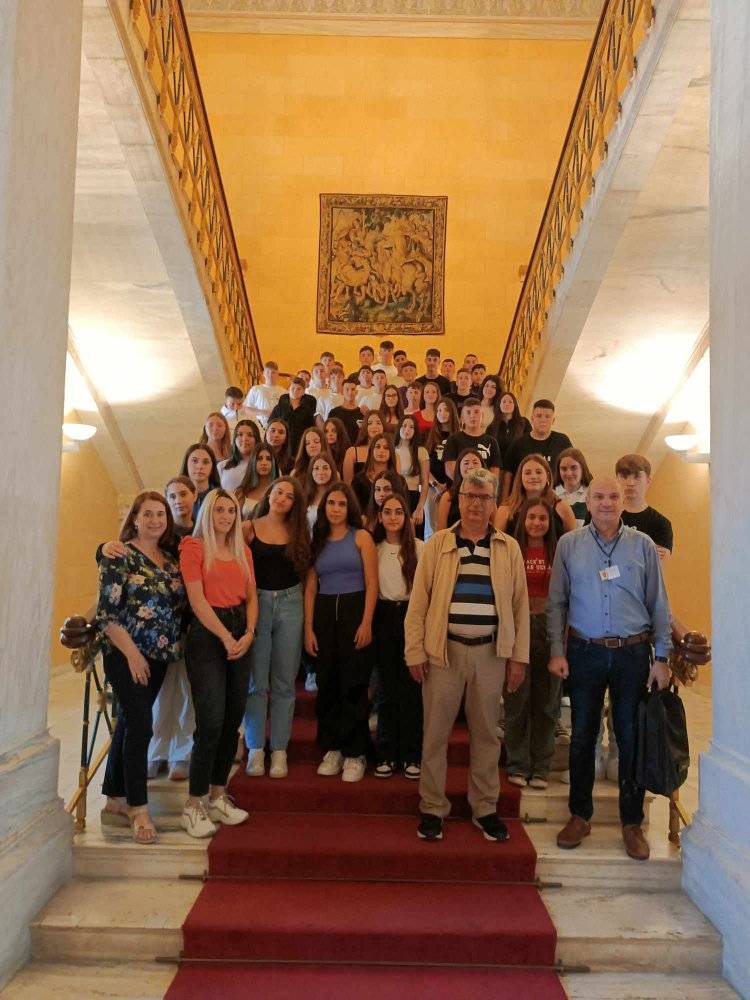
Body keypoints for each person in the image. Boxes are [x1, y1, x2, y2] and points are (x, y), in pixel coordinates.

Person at [547, 476, 672, 860]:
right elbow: (557, 603)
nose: (605, 503)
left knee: (630, 737)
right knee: (582, 736)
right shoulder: (569, 545)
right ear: (587, 501)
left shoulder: (643, 545)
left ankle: (631, 822)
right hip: (584, 651)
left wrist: (662, 657)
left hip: (632, 654)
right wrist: (557, 651)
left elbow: (659, 603)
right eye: (598, 496)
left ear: (623, 501)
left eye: (613, 496)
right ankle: (579, 815)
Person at [404, 468, 529, 843]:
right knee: (435, 734)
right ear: (459, 501)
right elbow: (418, 603)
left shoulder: (508, 547)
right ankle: (432, 807)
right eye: (470, 496)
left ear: (493, 504)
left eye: (484, 497)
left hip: (490, 654)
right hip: (443, 653)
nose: (476, 504)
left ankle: (485, 807)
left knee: (487, 735)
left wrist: (518, 658)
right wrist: (414, 651)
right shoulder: (438, 544)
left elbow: (520, 607)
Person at [96, 492, 186, 844]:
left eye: (160, 514)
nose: (154, 520)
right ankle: (138, 808)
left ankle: (114, 798)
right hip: (125, 653)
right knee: (141, 727)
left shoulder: (170, 559)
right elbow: (107, 614)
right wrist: (133, 655)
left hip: (159, 655)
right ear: (134, 518)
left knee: (129, 723)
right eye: (147, 514)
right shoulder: (119, 555)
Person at [179, 489, 258, 838]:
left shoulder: (243, 550)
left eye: (231, 511)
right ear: (207, 513)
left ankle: (217, 795)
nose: (225, 516)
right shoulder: (193, 547)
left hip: (241, 631)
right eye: (219, 510)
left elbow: (252, 597)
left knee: (232, 717)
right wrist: (225, 637)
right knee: (210, 720)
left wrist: (249, 633)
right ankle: (193, 804)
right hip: (208, 635)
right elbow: (197, 601)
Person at [304, 483, 378, 783]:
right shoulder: (318, 540)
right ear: (324, 508)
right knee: (328, 683)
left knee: (353, 684)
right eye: (331, 503)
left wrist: (367, 622)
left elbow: (372, 583)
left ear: (350, 508)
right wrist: (308, 629)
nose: (335, 509)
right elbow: (311, 588)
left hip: (354, 610)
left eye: (341, 504)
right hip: (324, 614)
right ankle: (332, 747)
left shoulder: (361, 537)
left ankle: (355, 752)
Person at [243, 477, 310, 779]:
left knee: (284, 681)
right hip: (257, 604)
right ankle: (256, 748)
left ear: (295, 504)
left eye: (289, 495)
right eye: (278, 491)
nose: (282, 498)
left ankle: (279, 749)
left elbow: (306, 574)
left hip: (291, 603)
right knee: (257, 682)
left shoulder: (299, 532)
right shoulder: (248, 527)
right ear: (269, 494)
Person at [504, 498, 561, 789]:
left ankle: (541, 767)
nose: (537, 523)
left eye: (542, 518)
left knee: (547, 703)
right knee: (517, 700)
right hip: (518, 628)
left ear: (550, 522)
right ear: (522, 520)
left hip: (550, 629)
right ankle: (517, 764)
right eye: (531, 517)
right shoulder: (512, 550)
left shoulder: (558, 551)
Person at [372, 492, 425, 779]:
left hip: (411, 617)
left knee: (411, 688)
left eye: (398, 512)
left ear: (406, 517)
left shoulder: (420, 548)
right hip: (383, 617)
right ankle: (386, 752)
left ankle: (411, 754)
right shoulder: (374, 549)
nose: (393, 517)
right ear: (380, 517)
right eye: (387, 512)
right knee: (386, 687)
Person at [503, 399, 572, 498]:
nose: (543, 420)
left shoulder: (562, 441)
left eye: (547, 416)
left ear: (553, 420)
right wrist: (505, 501)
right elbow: (507, 474)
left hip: (556, 497)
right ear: (532, 418)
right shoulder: (519, 444)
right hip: (525, 498)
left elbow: (573, 467)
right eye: (539, 416)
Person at [495, 454, 577, 536]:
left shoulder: (562, 508)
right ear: (520, 477)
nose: (533, 476)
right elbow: (496, 541)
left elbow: (574, 541)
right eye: (528, 473)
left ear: (548, 475)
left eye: (538, 472)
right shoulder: (505, 510)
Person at [615, 453, 674, 560]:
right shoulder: (600, 515)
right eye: (624, 476)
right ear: (617, 480)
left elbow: (657, 565)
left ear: (648, 480)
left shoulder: (661, 524)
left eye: (637, 477)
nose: (630, 483)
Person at [443, 398, 502, 481]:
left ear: (482, 416)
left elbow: (494, 472)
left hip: (484, 487)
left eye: (476, 412)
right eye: (468, 412)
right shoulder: (453, 439)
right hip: (459, 487)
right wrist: (468, 485)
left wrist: (482, 485)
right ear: (462, 418)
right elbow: (450, 470)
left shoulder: (491, 441)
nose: (472, 416)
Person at [395, 415, 429, 537]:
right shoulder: (392, 450)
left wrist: (420, 508)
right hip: (396, 497)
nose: (407, 429)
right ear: (399, 428)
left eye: (411, 427)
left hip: (414, 497)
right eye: (404, 426)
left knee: (415, 540)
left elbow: (425, 482)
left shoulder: (421, 451)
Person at [436, 448, 483, 531]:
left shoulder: (488, 495)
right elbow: (441, 531)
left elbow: (495, 528)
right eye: (466, 463)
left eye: (475, 462)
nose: (471, 466)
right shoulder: (448, 496)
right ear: (459, 468)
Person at [351, 433, 400, 512]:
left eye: (386, 448)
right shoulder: (358, 479)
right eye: (377, 447)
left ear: (391, 452)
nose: (381, 451)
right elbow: (353, 508)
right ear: (371, 450)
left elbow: (404, 507)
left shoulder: (399, 480)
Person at [269, 377, 316, 456]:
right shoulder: (279, 408)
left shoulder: (307, 411)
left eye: (299, 389)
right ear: (288, 389)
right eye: (293, 388)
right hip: (281, 445)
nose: (295, 391)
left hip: (299, 446)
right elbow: (270, 425)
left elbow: (310, 430)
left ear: (303, 392)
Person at [218, 419, 261, 493]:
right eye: (240, 434)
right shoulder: (222, 466)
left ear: (256, 439)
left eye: (250, 435)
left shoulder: (264, 465)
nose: (244, 439)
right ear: (234, 439)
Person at [235, 446, 277, 523]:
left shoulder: (279, 490)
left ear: (274, 463)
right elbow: (235, 521)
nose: (264, 463)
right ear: (253, 462)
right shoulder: (241, 491)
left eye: (268, 459)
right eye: (259, 459)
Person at [179, 443, 220, 520]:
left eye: (205, 462)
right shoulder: (174, 496)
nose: (200, 466)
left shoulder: (220, 497)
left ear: (212, 468)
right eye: (194, 461)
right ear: (186, 464)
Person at [343, 411, 385, 483]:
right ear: (365, 426)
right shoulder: (352, 452)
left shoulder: (390, 452)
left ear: (384, 427)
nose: (374, 426)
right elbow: (348, 483)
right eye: (370, 423)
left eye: (378, 423)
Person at [555, 447, 593, 526]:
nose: (569, 473)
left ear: (582, 468)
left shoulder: (592, 494)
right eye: (564, 469)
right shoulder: (552, 495)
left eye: (574, 468)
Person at [492, 391, 531, 466]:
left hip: (519, 464)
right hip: (499, 466)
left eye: (510, 402)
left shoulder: (524, 422)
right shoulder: (492, 426)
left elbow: (529, 443)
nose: (507, 404)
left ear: (515, 405)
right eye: (504, 402)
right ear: (499, 405)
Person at [304, 454, 340, 534]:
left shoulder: (339, 496)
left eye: (325, 468)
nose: (321, 472)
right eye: (316, 468)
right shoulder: (305, 497)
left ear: (332, 471)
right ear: (311, 472)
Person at [244, 361, 284, 429]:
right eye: (268, 372)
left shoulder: (283, 392)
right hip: (259, 426)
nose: (270, 375)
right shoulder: (255, 389)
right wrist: (263, 412)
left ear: (277, 374)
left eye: (273, 372)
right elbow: (246, 409)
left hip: (277, 426)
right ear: (263, 373)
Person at [328, 379, 362, 447]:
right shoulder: (334, 412)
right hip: (338, 449)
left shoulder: (361, 412)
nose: (350, 392)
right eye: (347, 389)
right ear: (342, 391)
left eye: (353, 389)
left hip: (357, 449)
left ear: (356, 392)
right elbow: (329, 434)